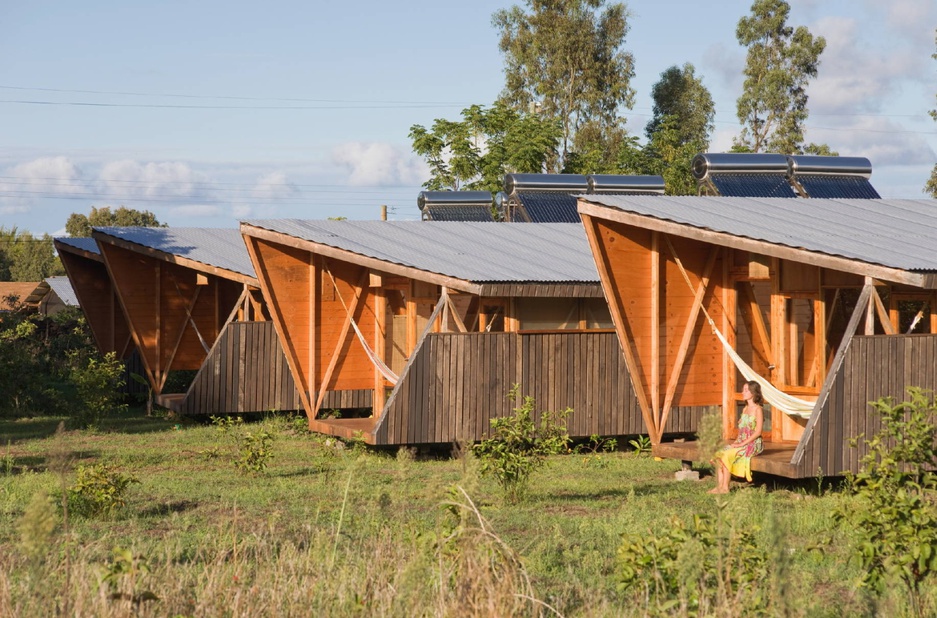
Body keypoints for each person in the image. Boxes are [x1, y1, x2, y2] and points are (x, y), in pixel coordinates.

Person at [709, 380, 764, 494]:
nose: (742, 392)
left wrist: (741, 444)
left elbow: (758, 432)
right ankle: (720, 486)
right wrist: (737, 442)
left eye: (746, 390)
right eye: (743, 390)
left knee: (727, 455)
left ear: (753, 393)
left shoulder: (758, 409)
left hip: (753, 443)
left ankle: (725, 487)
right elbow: (742, 429)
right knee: (719, 454)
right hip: (741, 441)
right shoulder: (745, 409)